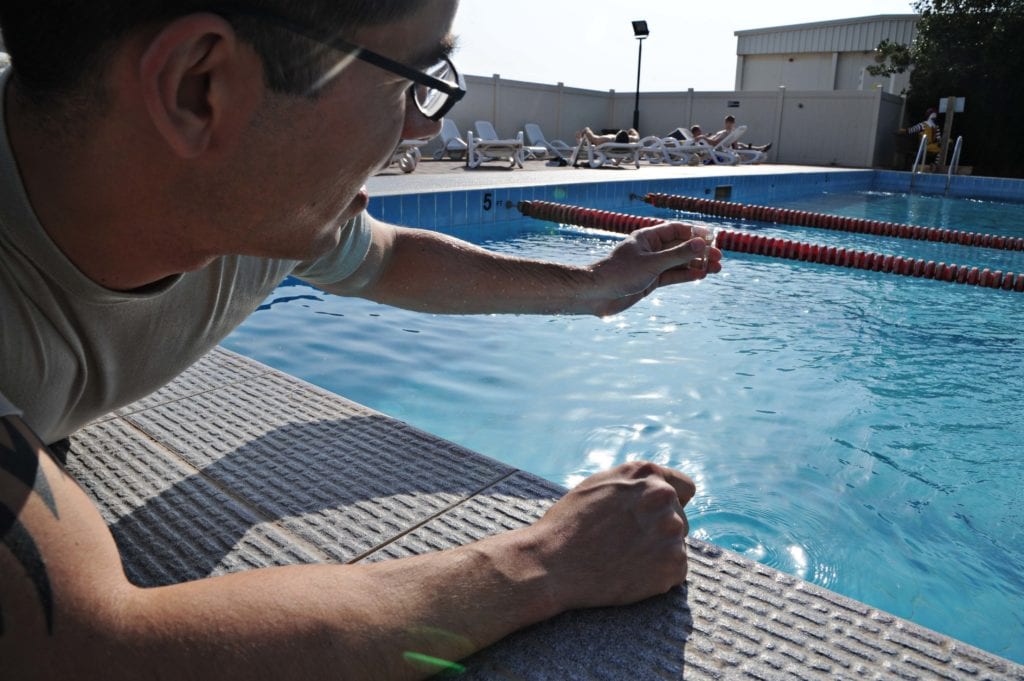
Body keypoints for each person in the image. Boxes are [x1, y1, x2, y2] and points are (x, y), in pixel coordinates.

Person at [0, 1, 722, 679]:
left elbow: (387, 257)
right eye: (413, 82)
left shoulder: (249, 202)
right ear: (200, 89)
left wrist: (597, 286)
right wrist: (549, 561)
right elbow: (89, 649)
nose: (425, 129)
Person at [706, 115, 772, 152]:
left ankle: (759, 148)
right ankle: (759, 148)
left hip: (720, 147)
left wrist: (705, 138)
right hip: (718, 147)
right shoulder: (727, 133)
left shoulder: (726, 133)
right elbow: (715, 142)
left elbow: (715, 142)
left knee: (740, 144)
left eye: (730, 122)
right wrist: (706, 138)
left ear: (726, 122)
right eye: (731, 122)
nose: (731, 124)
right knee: (740, 145)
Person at [575, 126, 640, 145]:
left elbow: (592, 137)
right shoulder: (631, 139)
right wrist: (630, 131)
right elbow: (635, 134)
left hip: (606, 141)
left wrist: (586, 129)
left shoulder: (607, 139)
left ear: (617, 135)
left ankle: (580, 141)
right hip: (622, 148)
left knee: (587, 130)